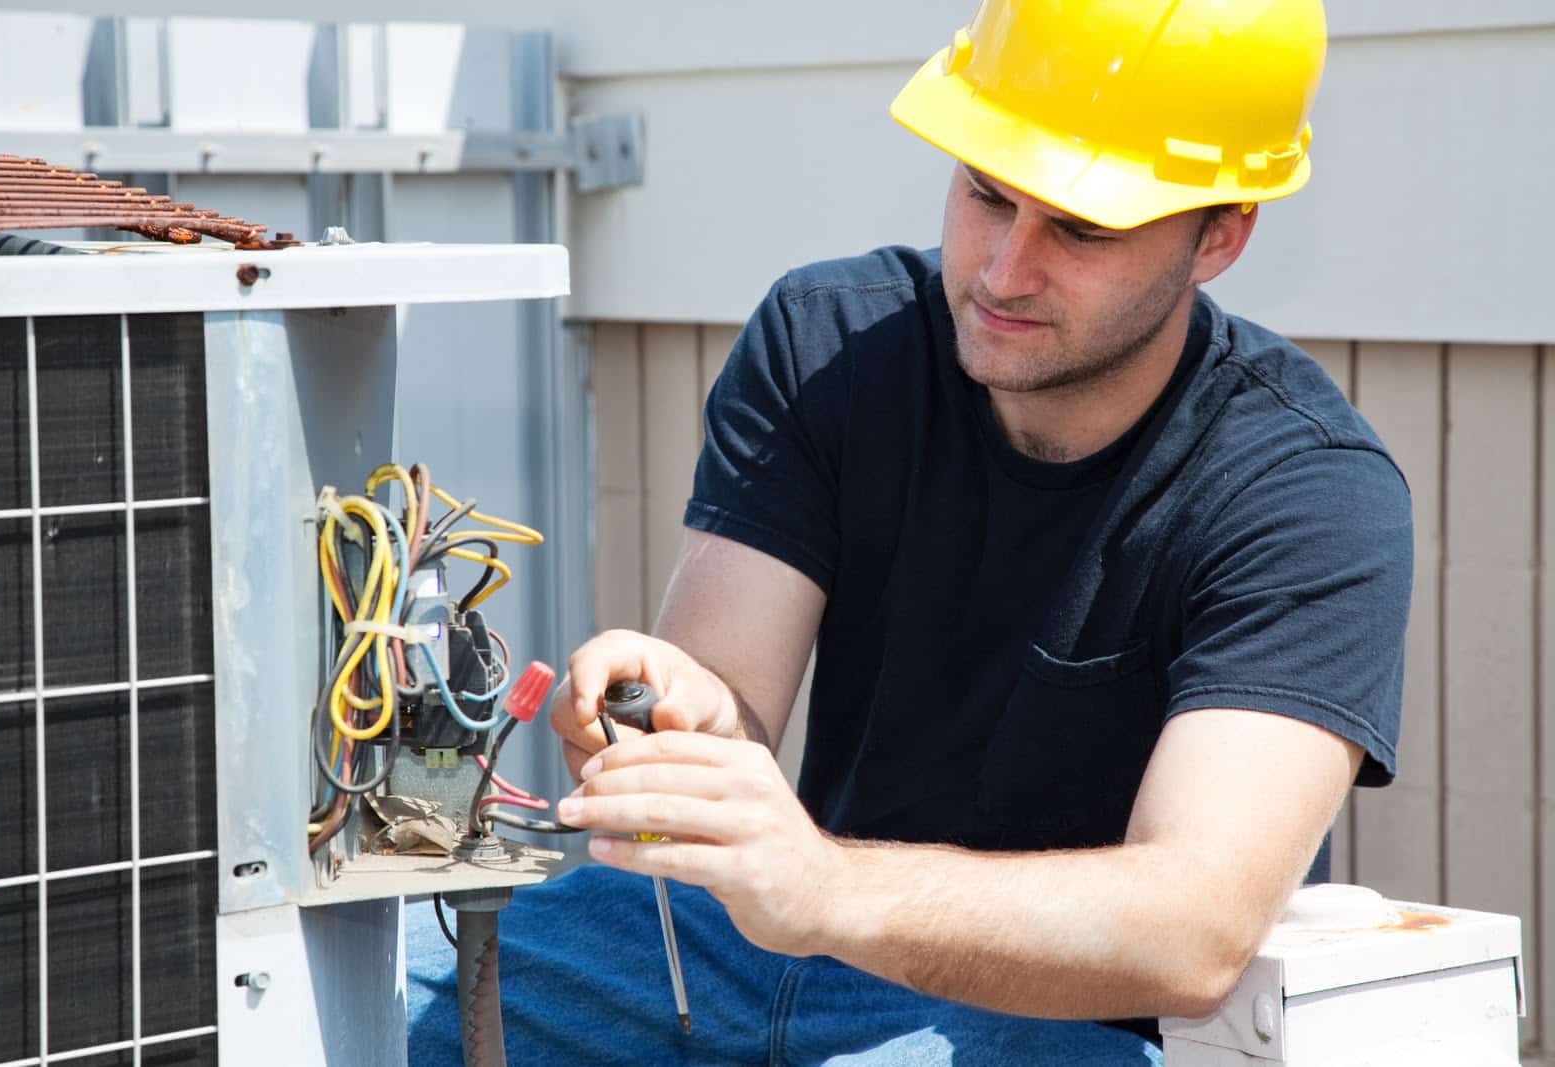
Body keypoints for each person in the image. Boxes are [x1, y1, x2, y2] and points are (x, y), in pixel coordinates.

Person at [408, 1, 1411, 1063]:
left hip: (1058, 1021)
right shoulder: (826, 344)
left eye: (1081, 227)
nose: (1002, 269)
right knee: (337, 1002)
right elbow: (727, 711)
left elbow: (1192, 927)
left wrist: (824, 885)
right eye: (985, 192)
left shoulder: (1307, 491)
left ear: (1220, 232)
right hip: (749, 945)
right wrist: (687, 716)